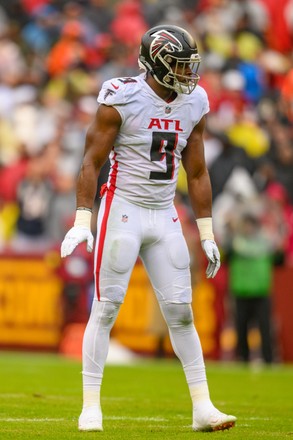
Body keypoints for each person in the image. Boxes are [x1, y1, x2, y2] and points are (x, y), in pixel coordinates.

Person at [61, 24, 236, 432]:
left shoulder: (195, 101)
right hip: (123, 208)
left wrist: (207, 232)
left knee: (181, 313)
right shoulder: (123, 95)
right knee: (105, 310)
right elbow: (91, 160)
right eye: (179, 65)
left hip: (164, 212)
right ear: (156, 64)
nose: (188, 74)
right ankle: (90, 406)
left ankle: (202, 407)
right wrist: (82, 219)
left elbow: (196, 170)